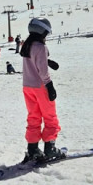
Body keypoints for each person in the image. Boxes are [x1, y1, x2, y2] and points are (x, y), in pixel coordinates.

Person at [20, 17, 62, 163]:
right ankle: (50, 148)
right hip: (40, 86)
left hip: (27, 86)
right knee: (50, 115)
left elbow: (33, 61)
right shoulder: (41, 47)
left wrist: (48, 61)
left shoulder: (27, 45)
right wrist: (49, 85)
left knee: (33, 116)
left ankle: (32, 149)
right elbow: (43, 71)